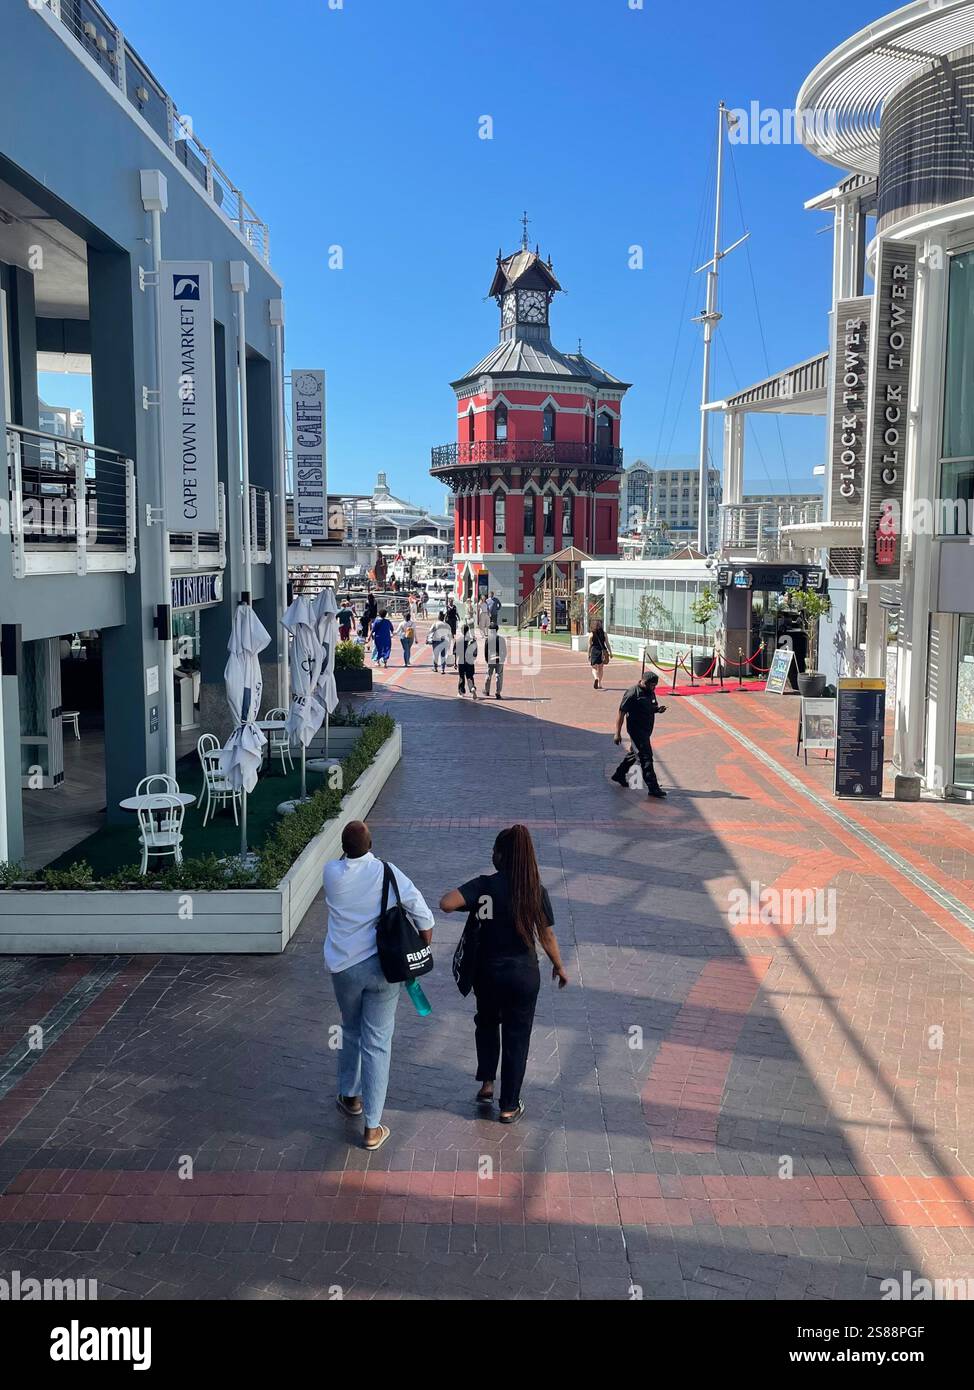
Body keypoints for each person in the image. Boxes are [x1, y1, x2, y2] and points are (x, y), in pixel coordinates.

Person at [439, 825, 568, 1123]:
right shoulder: (535, 890)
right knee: (516, 1037)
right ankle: (509, 1106)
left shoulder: (484, 886)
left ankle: (487, 1082)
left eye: (494, 851)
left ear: (501, 855)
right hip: (523, 976)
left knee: (486, 1022)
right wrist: (559, 966)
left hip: (487, 975)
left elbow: (446, 903)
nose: (491, 855)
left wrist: (474, 905)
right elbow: (547, 936)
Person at [323, 820, 435, 1150]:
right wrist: (421, 946)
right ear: (371, 845)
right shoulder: (387, 872)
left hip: (344, 969)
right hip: (384, 971)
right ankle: (372, 1127)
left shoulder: (331, 874)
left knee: (351, 1029)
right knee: (378, 1041)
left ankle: (350, 1096)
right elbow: (424, 917)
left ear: (343, 848)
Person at [612, 672, 667, 798]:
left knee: (635, 753)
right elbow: (621, 713)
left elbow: (651, 707)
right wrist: (617, 733)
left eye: (655, 685)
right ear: (644, 682)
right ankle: (653, 787)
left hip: (646, 729)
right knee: (646, 757)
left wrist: (658, 710)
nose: (654, 688)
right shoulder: (632, 693)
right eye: (652, 685)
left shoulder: (650, 692)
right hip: (636, 730)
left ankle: (619, 774)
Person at [484, 623, 507, 699]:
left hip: (491, 659)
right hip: (499, 659)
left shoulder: (488, 639)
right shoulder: (501, 639)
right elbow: (504, 650)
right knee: (499, 675)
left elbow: (486, 651)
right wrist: (502, 658)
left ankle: (487, 690)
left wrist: (487, 660)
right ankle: (498, 692)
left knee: (488, 675)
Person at [589, 619, 612, 690]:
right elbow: (607, 643)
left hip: (594, 651)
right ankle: (599, 683)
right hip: (602, 651)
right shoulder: (604, 633)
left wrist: (588, 654)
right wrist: (610, 652)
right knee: (601, 668)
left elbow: (589, 645)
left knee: (594, 668)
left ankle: (596, 678)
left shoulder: (591, 634)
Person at [457, 623, 478, 699]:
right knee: (470, 677)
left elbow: (456, 652)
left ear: (462, 631)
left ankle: (461, 692)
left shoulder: (459, 640)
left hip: (461, 661)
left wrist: (455, 663)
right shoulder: (472, 640)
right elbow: (475, 652)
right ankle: (472, 689)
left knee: (461, 677)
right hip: (470, 661)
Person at [444, 597, 459, 668]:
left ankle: (453, 635)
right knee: (448, 630)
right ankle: (449, 635)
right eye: (450, 601)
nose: (451, 602)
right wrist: (444, 620)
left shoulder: (455, 607)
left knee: (453, 631)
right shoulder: (447, 607)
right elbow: (445, 614)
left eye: (452, 601)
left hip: (453, 620)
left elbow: (456, 613)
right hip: (449, 620)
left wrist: (459, 618)